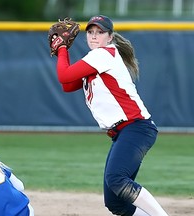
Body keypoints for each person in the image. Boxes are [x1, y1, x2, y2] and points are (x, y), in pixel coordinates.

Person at [51, 15, 169, 216]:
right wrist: (64, 52)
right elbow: (67, 84)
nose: (94, 36)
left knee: (117, 179)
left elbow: (64, 75)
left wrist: (62, 49)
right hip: (125, 132)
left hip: (136, 127)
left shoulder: (103, 55)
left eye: (100, 32)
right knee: (116, 203)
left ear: (110, 37)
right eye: (90, 32)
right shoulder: (95, 62)